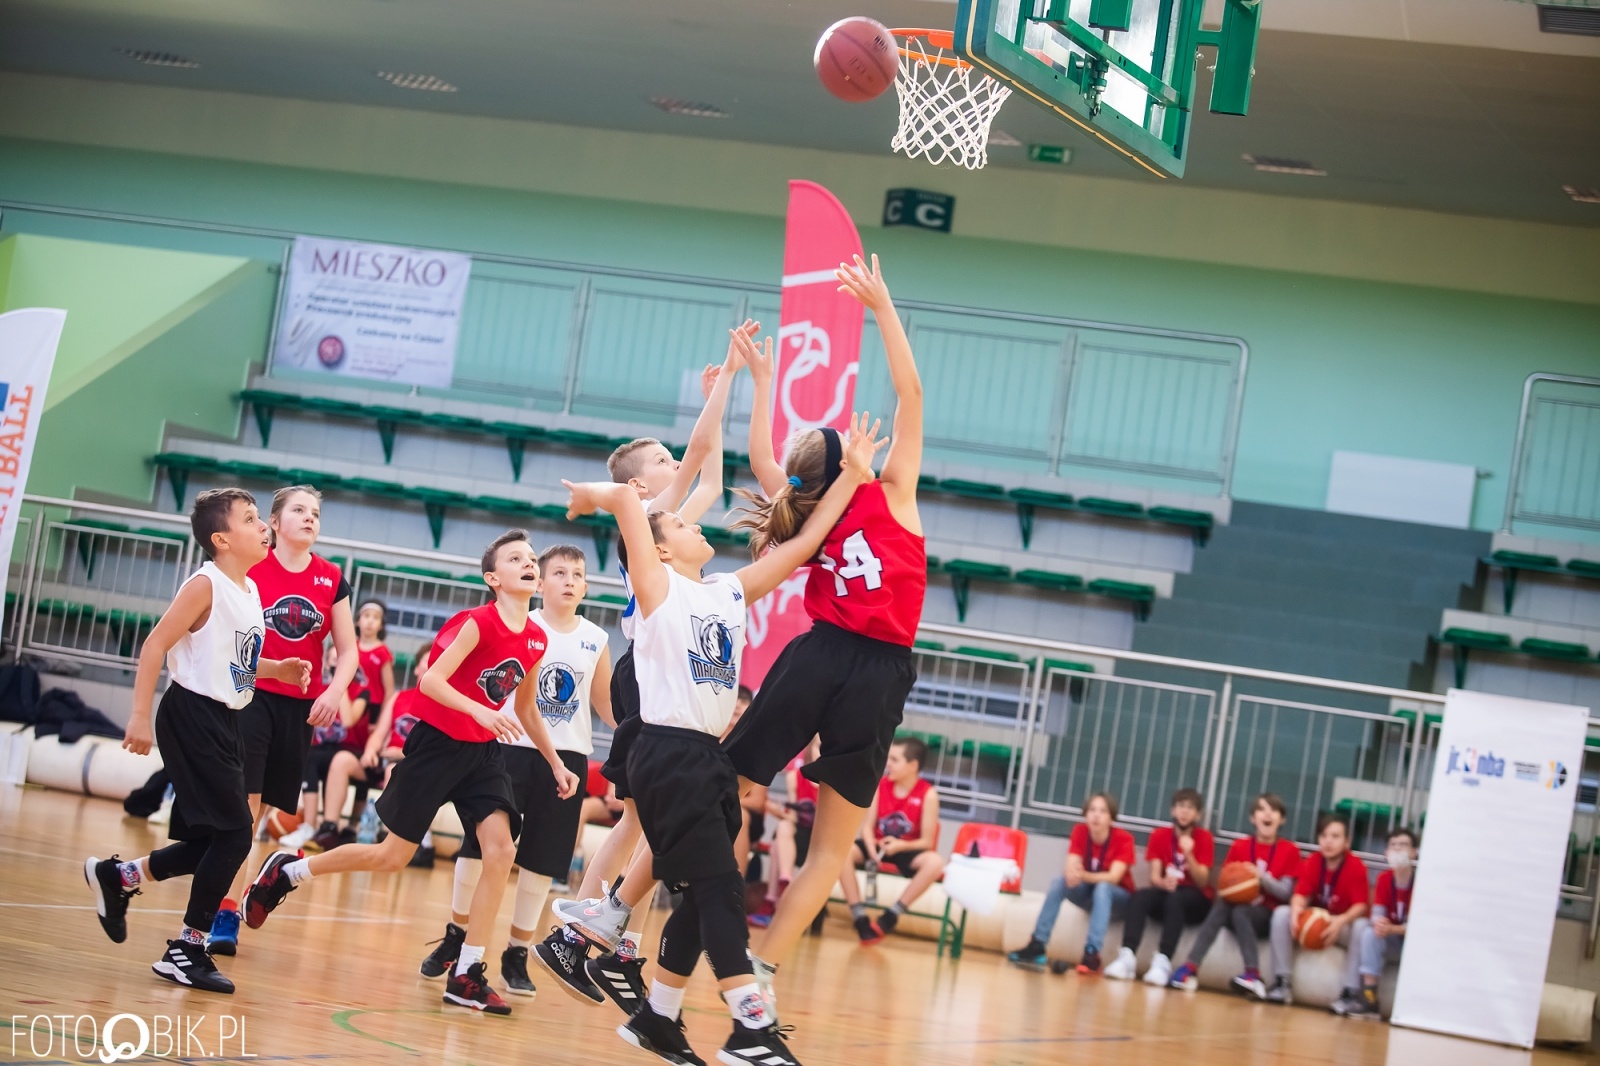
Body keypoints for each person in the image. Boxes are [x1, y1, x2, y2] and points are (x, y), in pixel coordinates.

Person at [558, 408, 882, 1066]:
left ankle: (658, 1012)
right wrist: (599, 496)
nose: (692, 522)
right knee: (719, 890)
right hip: (666, 754)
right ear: (663, 549)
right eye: (679, 522)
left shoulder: (727, 593)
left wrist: (849, 478)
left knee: (712, 886)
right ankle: (751, 1027)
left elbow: (801, 546)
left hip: (704, 759)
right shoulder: (655, 592)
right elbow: (628, 501)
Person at [241, 530, 580, 1017]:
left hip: (483, 756)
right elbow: (430, 681)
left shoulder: (536, 637)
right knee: (390, 857)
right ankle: (289, 871)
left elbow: (526, 709)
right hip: (438, 747)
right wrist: (481, 712)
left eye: (531, 558)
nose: (529, 563)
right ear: (493, 578)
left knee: (502, 850)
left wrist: (555, 763)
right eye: (516, 558)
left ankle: (467, 973)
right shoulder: (476, 623)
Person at [721, 254, 927, 1016]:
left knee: (729, 785)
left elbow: (764, 461)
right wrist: (882, 307)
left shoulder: (810, 505)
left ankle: (631, 894)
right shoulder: (892, 488)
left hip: (816, 655)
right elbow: (910, 393)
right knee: (830, 849)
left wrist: (763, 384)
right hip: (877, 673)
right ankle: (760, 979)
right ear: (852, 461)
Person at [534, 330, 747, 1009]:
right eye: (661, 457)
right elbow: (694, 469)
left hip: (666, 667)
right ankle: (582, 922)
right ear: (637, 482)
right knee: (637, 819)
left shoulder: (675, 518)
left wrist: (718, 414)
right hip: (646, 672)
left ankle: (600, 933)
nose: (673, 460)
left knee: (646, 823)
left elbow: (710, 475)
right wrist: (720, 394)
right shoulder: (649, 517)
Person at [84, 488, 311, 994]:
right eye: (251, 519)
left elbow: (237, 657)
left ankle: (120, 877)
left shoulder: (249, 589)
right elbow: (155, 645)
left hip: (226, 719)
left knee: (212, 842)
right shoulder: (205, 583)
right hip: (191, 715)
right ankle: (187, 950)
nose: (262, 526)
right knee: (234, 835)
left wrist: (279, 667)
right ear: (221, 539)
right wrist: (139, 717)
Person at [426, 544, 613, 1000]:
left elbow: (606, 704)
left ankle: (517, 951)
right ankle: (458, 932)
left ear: (586, 587)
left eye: (578, 574)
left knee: (541, 860)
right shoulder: (519, 625)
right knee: (480, 848)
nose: (569, 580)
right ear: (542, 582)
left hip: (565, 756)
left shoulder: (595, 638)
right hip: (506, 747)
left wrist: (636, 730)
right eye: (560, 573)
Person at [212, 485, 358, 956]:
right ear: (274, 522)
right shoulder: (252, 566)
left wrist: (334, 691)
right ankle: (225, 910)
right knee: (246, 809)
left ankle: (250, 884)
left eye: (315, 512)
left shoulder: (331, 578)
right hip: (250, 696)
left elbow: (348, 650)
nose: (310, 518)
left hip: (300, 708)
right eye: (298, 510)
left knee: (268, 809)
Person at [1168, 792, 1300, 998]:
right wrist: (1237, 883)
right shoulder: (1240, 846)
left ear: (1281, 819)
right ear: (1252, 818)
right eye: (1261, 809)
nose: (1267, 814)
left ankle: (1253, 975)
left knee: (1240, 912)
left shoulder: (1289, 850)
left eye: (1273, 810)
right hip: (1239, 910)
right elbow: (1224, 886)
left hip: (1266, 915)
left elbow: (1286, 893)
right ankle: (1191, 967)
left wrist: (1260, 877)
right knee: (1224, 906)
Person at [301, 600, 398, 851]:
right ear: (356, 620)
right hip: (349, 710)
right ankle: (328, 826)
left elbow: (388, 692)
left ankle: (351, 826)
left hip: (372, 714)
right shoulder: (349, 649)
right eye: (365, 616)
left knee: (363, 765)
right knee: (336, 758)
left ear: (381, 624)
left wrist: (381, 725)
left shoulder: (382, 653)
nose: (369, 621)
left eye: (375, 617)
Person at [1007, 792, 1135, 975]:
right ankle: (1037, 944)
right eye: (1092, 810)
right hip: (1090, 894)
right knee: (1059, 882)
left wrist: (1082, 874)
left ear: (1111, 818)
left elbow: (1113, 877)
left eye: (1102, 811)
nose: (1096, 815)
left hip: (1118, 901)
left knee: (1103, 888)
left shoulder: (1124, 839)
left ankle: (1092, 954)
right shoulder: (1080, 831)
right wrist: (1072, 874)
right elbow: (1070, 867)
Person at [839, 736, 945, 944]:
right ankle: (859, 916)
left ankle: (892, 914)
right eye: (888, 758)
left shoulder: (929, 794)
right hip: (876, 846)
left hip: (906, 849)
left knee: (935, 862)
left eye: (895, 760)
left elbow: (926, 842)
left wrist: (901, 845)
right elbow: (867, 828)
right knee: (842, 851)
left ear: (913, 765)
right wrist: (870, 848)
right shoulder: (880, 785)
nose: (888, 764)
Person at [1103, 787, 1214, 985]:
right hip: (1168, 891)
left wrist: (1189, 854)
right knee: (1140, 897)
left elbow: (1203, 881)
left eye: (1190, 808)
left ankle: (1163, 960)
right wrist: (1163, 882)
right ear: (1173, 811)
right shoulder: (1160, 835)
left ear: (1198, 814)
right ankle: (1127, 956)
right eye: (1180, 806)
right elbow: (1154, 877)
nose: (1184, 812)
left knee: (1177, 899)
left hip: (1195, 899)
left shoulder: (1204, 838)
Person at [1267, 812, 1369, 1005]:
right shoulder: (1313, 861)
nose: (1328, 841)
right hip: (1317, 922)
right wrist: (1296, 909)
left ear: (1347, 842)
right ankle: (1282, 982)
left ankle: (1351, 992)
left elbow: (1360, 906)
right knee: (1282, 914)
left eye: (1335, 836)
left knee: (1362, 926)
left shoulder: (1356, 866)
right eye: (1324, 836)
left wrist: (1340, 921)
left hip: (1343, 924)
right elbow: (1300, 894)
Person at [1333, 827, 1416, 1020]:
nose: (1398, 850)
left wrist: (1392, 928)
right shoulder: (1384, 879)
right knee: (1370, 932)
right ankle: (1369, 998)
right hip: (1393, 940)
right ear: (1386, 853)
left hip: (1413, 945)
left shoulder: (1421, 882)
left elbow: (1419, 929)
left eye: (1403, 845)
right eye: (1393, 846)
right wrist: (1381, 925)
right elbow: (1376, 916)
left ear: (1414, 852)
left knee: (1376, 931)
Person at [748, 738, 820, 930]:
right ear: (811, 750)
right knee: (783, 828)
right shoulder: (794, 777)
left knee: (776, 846)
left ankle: (772, 898)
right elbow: (795, 818)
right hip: (798, 833)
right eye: (820, 748)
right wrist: (782, 813)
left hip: (821, 838)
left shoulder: (837, 785)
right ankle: (785, 879)